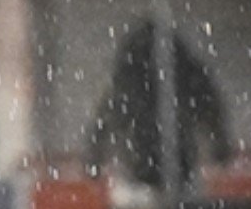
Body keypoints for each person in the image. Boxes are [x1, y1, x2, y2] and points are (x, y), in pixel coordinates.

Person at [85, 18, 233, 194]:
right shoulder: (185, 73)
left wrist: (93, 161)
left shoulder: (126, 78)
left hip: (138, 166)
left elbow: (104, 119)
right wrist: (220, 151)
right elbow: (211, 110)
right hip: (179, 164)